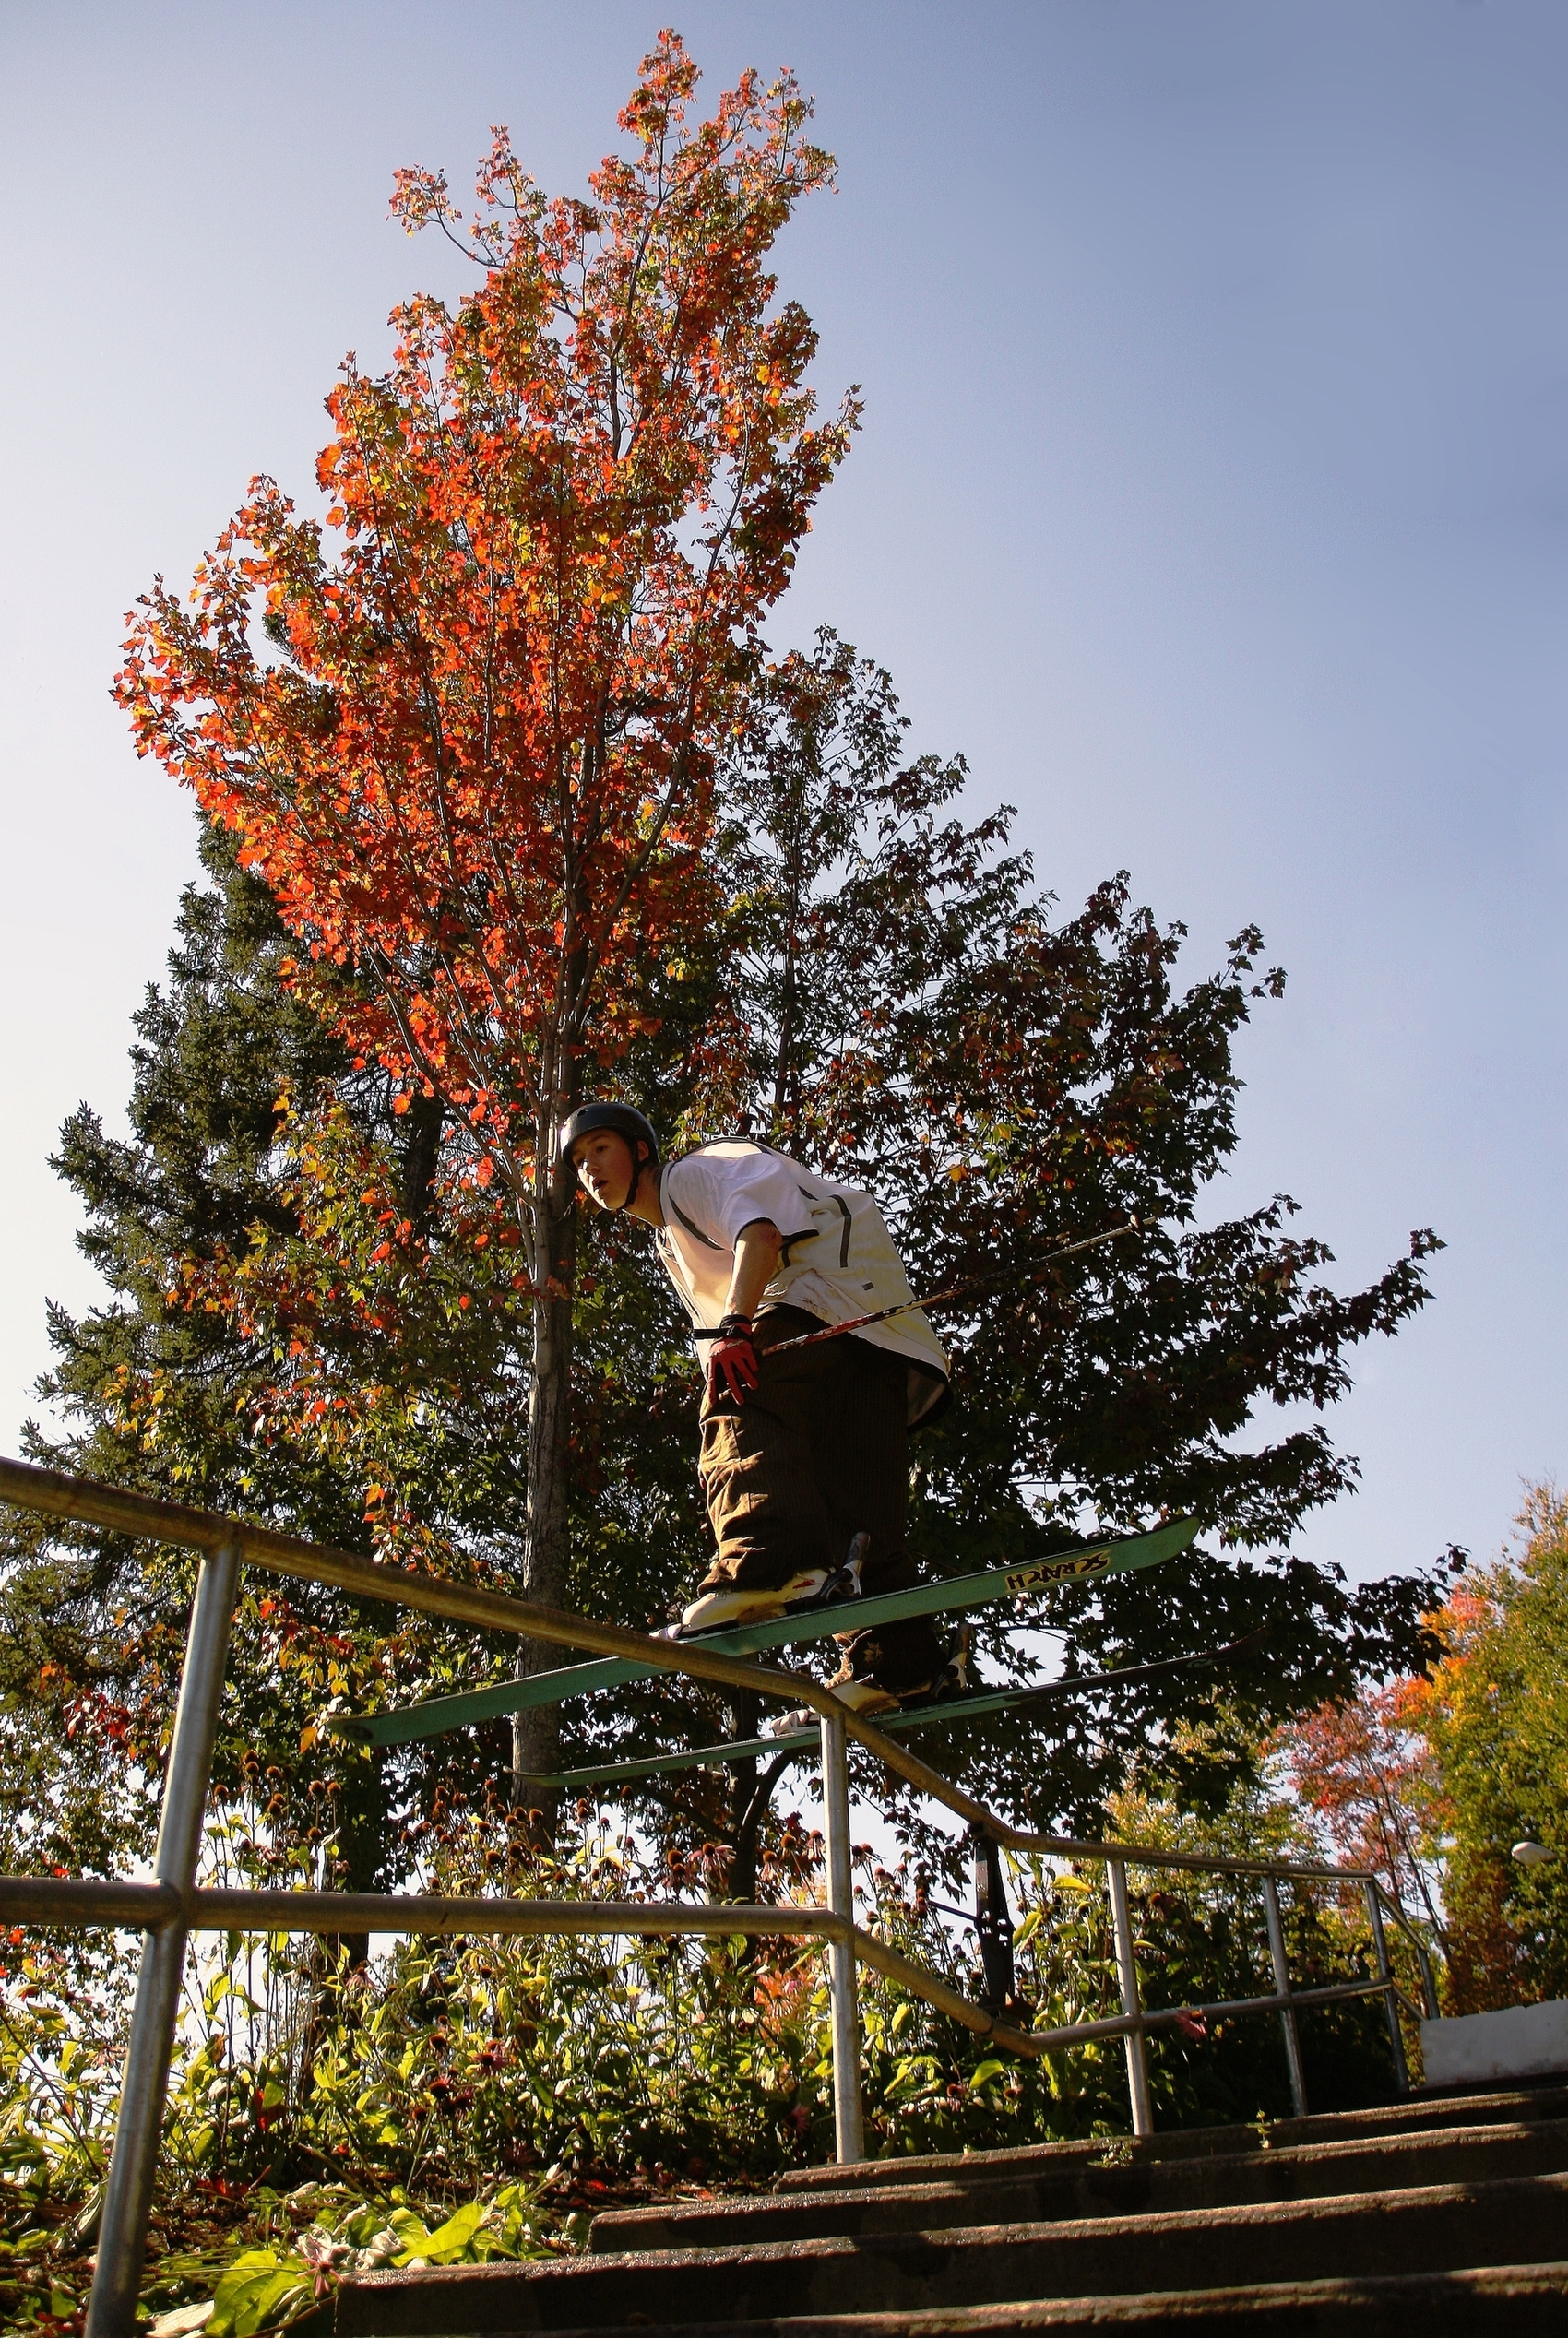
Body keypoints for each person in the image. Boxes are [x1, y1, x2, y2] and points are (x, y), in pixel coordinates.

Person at [561, 1101, 953, 1715]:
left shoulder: (689, 1177)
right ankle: (898, 1660)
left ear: (640, 1149)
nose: (589, 1168)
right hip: (878, 1343)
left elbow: (762, 1234)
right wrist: (733, 1337)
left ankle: (764, 1562)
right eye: (578, 1161)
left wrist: (738, 1331)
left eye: (600, 1148)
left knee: (737, 1389)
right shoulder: (672, 1242)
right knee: (853, 1506)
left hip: (823, 1294)